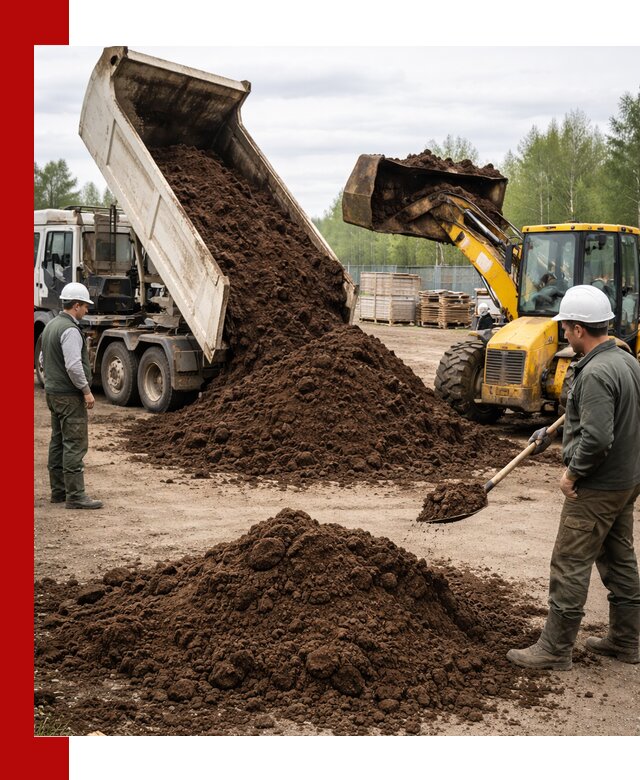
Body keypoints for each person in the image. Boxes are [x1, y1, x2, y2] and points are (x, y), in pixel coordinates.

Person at [507, 285, 640, 670]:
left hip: (597, 486)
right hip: (627, 480)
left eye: (566, 327)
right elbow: (606, 418)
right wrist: (554, 432)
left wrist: (572, 473)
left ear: (580, 329)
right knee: (619, 558)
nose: (563, 333)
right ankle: (627, 641)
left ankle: (554, 649)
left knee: (569, 561)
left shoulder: (595, 373)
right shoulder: (626, 362)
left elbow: (598, 438)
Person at [41, 282, 103, 510]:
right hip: (68, 396)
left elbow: (42, 359)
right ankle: (75, 496)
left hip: (53, 393)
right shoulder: (70, 330)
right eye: (85, 306)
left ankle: (59, 491)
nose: (86, 310)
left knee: (58, 442)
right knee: (74, 444)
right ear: (76, 305)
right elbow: (74, 366)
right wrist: (86, 391)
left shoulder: (51, 325)